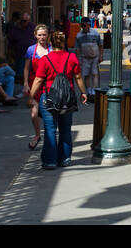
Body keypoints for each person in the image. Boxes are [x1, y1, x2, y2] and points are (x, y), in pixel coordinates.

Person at [27, 31, 88, 170]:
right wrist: (83, 93)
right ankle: (65, 158)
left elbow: (38, 80)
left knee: (50, 130)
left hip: (48, 98)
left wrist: (31, 96)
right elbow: (78, 77)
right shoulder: (72, 58)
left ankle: (50, 161)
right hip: (67, 98)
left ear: (51, 43)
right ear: (64, 42)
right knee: (65, 129)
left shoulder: (45, 59)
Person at [23, 24, 52, 149]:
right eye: (39, 35)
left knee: (48, 114)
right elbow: (26, 68)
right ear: (35, 35)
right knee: (34, 114)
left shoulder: (52, 49)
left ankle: (49, 138)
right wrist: (25, 83)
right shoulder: (31, 50)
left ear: (48, 35)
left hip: (49, 85)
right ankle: (37, 135)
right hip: (34, 84)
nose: (42, 37)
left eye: (44, 35)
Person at [75, 18, 103, 98]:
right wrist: (77, 60)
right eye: (82, 26)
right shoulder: (79, 36)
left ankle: (94, 91)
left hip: (95, 57)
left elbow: (100, 45)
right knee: (86, 75)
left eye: (85, 25)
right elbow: (77, 49)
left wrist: (101, 56)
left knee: (94, 74)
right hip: (85, 58)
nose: (83, 27)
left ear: (88, 25)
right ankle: (89, 91)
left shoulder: (95, 33)